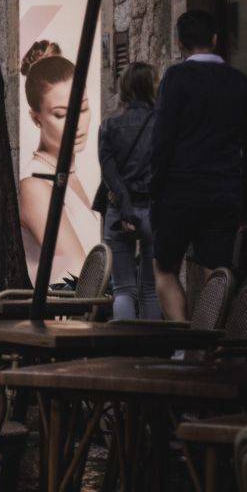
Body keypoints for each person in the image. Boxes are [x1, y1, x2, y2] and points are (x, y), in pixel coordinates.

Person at [150, 11, 247, 321]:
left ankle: (182, 337)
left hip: (179, 190)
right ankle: (212, 338)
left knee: (165, 269)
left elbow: (162, 139)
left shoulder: (176, 78)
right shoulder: (239, 82)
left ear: (180, 43)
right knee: (218, 272)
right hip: (224, 190)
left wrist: (155, 188)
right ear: (215, 39)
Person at [18, 40, 94, 284]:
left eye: (82, 109)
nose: (76, 124)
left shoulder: (76, 175)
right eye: (61, 114)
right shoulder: (35, 185)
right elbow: (77, 275)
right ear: (36, 118)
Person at [99, 62, 160, 320]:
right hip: (153, 212)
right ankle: (149, 342)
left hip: (119, 212)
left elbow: (109, 173)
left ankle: (124, 341)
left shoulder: (109, 125)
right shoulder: (162, 123)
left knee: (123, 289)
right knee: (151, 290)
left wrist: (124, 206)